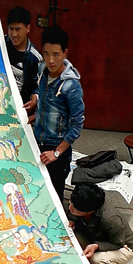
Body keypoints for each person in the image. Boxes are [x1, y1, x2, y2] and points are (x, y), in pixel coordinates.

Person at [29, 25, 84, 201]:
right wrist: (38, 109)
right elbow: (40, 90)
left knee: (54, 198)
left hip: (56, 150)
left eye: (56, 54)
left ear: (65, 53)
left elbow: (77, 125)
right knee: (36, 191)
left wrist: (57, 152)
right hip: (37, 141)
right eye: (46, 54)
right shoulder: (42, 70)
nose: (50, 60)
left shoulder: (71, 86)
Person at [66, 183, 133, 264]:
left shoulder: (111, 219)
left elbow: (117, 243)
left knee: (96, 259)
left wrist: (96, 246)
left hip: (122, 246)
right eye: (70, 202)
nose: (70, 207)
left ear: (89, 211)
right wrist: (74, 223)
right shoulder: (85, 202)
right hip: (96, 236)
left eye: (74, 209)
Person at [5, 7, 42, 111]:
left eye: (18, 29)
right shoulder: (1, 43)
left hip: (18, 108)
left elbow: (37, 85)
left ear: (28, 28)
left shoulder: (34, 58)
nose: (14, 34)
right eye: (11, 28)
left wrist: (34, 98)